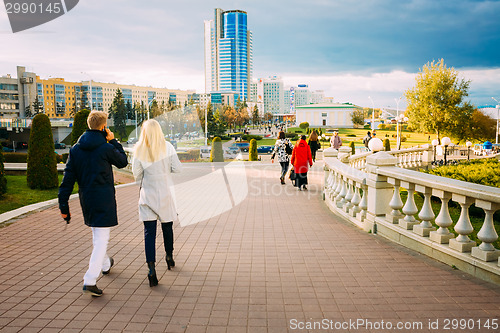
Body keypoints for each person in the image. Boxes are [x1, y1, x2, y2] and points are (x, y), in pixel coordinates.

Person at [58, 111, 128, 297]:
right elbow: (123, 162)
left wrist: (63, 206)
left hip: (87, 200)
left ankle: (105, 264)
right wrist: (113, 141)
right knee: (101, 240)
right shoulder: (105, 148)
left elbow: (67, 180)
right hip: (103, 200)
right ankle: (89, 280)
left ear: (89, 125)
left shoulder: (75, 149)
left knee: (98, 238)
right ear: (103, 127)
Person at [132, 119, 182, 287]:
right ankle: (169, 256)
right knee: (167, 228)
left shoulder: (139, 149)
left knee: (149, 233)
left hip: (148, 196)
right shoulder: (168, 146)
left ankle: (151, 268)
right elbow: (178, 168)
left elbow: (136, 175)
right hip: (165, 194)